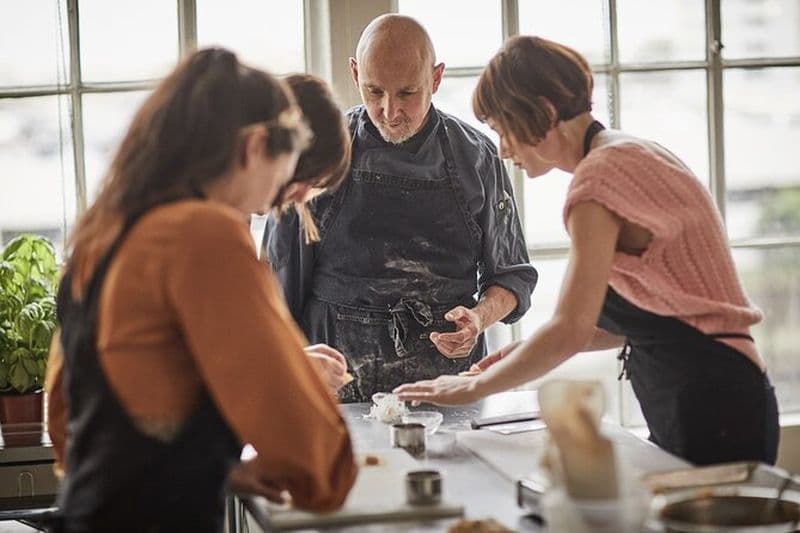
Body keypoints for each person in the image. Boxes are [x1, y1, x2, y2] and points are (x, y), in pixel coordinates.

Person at [396, 36, 780, 466]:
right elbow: (650, 319)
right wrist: (518, 356)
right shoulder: (630, 152)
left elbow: (570, 328)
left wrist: (469, 389)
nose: (503, 150)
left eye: (505, 131)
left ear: (543, 113)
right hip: (716, 390)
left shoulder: (598, 181)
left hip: (712, 400)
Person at [45, 48, 357, 532]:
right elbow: (321, 468)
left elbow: (70, 430)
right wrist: (299, 378)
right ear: (255, 146)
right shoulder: (206, 235)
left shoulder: (101, 234)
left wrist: (221, 472)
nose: (282, 196)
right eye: (286, 164)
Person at [266, 14, 538, 403]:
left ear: (436, 79)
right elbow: (277, 291)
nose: (390, 111)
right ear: (356, 74)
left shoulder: (477, 158)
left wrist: (478, 318)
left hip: (447, 385)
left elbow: (512, 277)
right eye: (374, 91)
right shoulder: (319, 156)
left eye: (407, 93)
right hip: (336, 382)